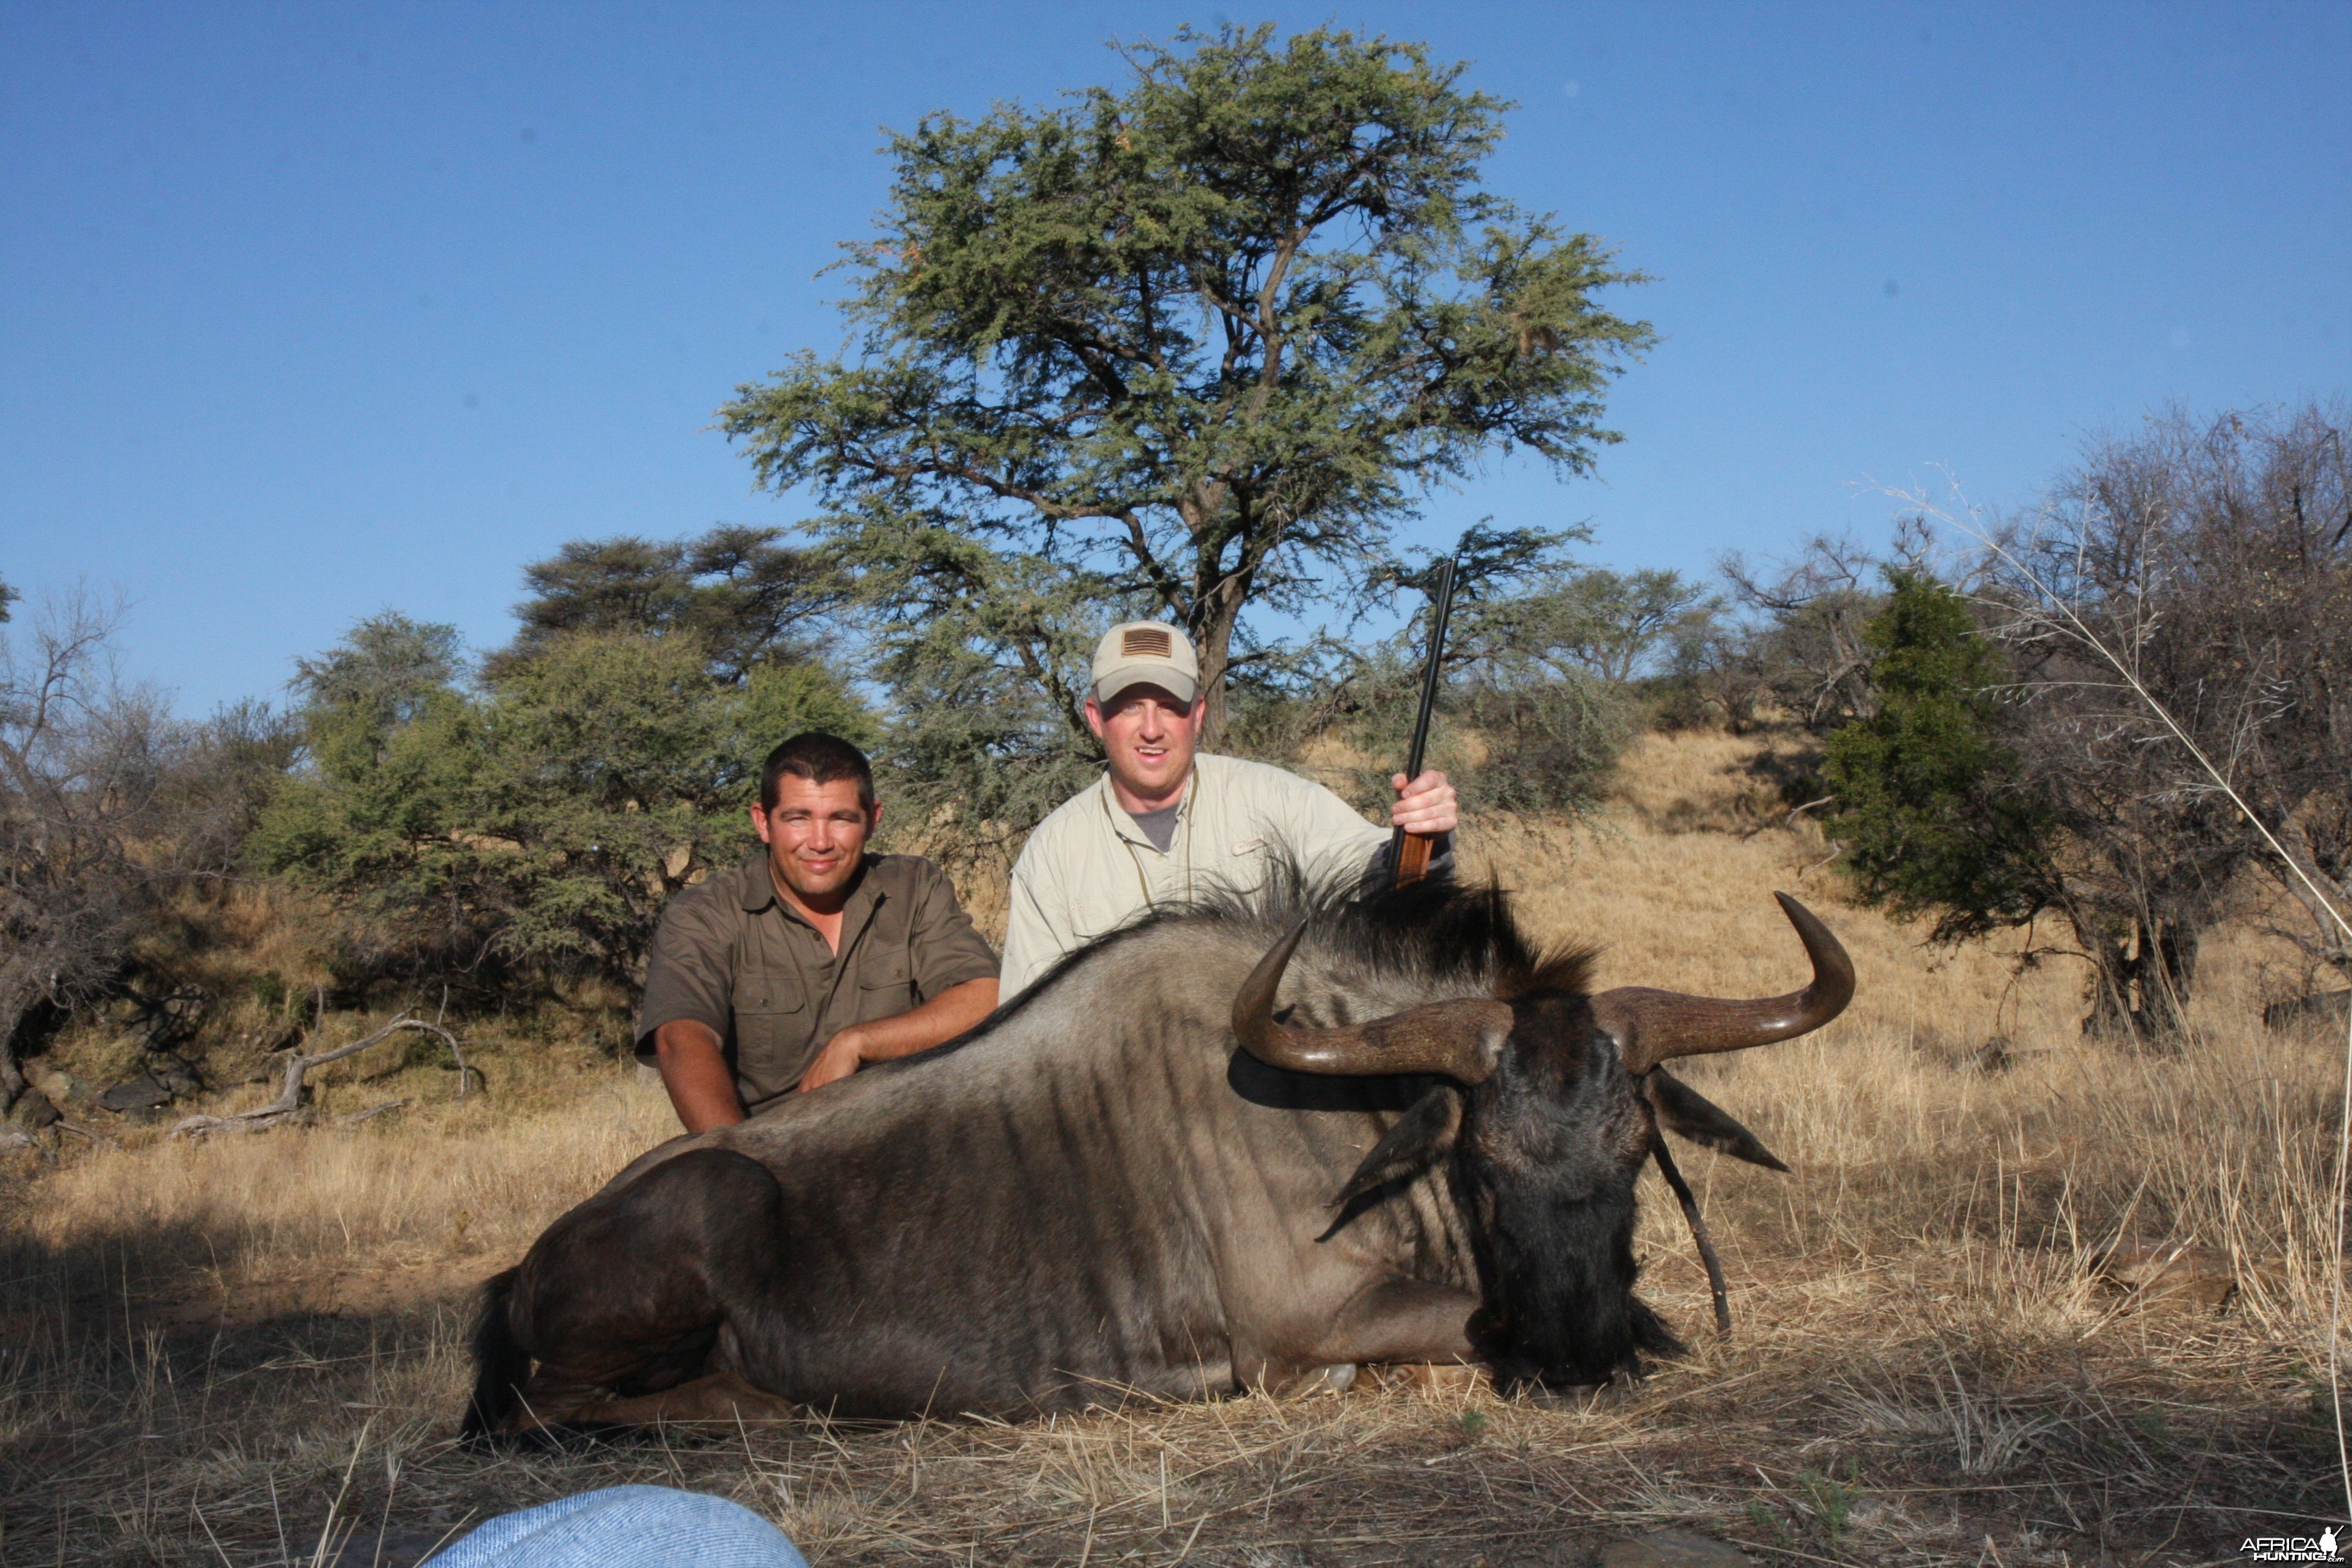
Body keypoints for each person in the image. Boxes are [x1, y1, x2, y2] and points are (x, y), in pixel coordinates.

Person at [998, 622, 1459, 997]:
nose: (1152, 729)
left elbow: (1379, 874)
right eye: (1130, 706)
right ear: (1097, 718)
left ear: (1198, 714)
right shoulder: (1053, 853)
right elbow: (1030, 1028)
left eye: (1170, 706)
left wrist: (1424, 834)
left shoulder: (1272, 797)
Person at [635, 732, 999, 1132]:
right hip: (774, 1145)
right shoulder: (704, 914)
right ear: (763, 822)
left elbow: (984, 995)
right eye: (798, 818)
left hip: (907, 1136)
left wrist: (858, 1042)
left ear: (873, 820)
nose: (820, 842)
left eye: (841, 818)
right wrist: (737, 1160)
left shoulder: (914, 887)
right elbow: (682, 1038)